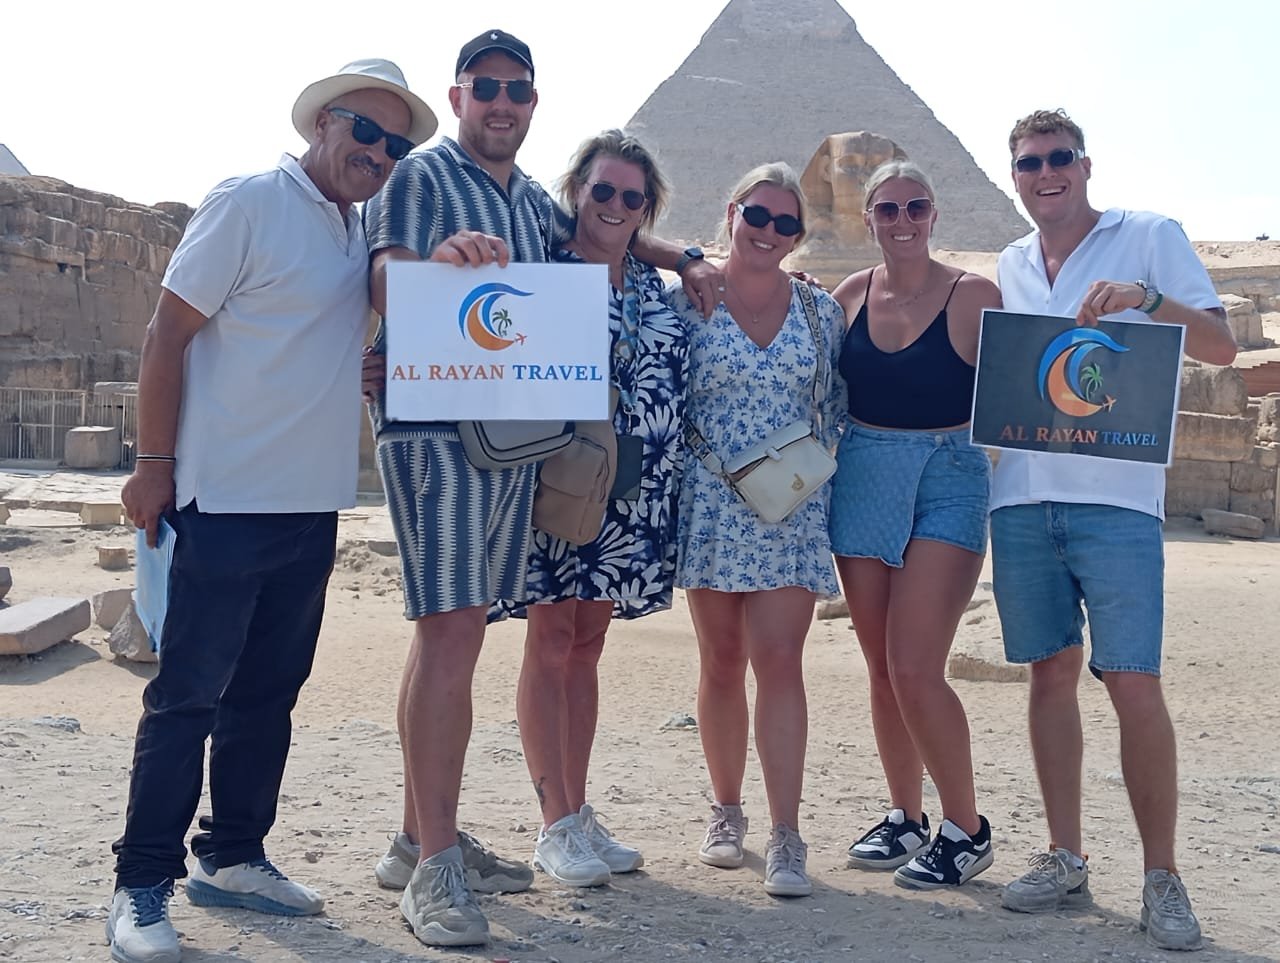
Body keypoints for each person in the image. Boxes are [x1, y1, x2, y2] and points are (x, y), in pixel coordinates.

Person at [362, 29, 723, 948]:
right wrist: (436, 268)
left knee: (449, 631)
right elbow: (385, 276)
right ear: (457, 96)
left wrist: (684, 258)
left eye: (517, 90)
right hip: (438, 434)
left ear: (533, 103)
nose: (501, 103)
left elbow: (610, 232)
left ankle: (415, 838)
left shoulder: (527, 202)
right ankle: (436, 866)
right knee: (450, 630)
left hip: (509, 441)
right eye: (484, 87)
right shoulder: (421, 175)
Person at [107, 60, 434, 963]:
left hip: (312, 503)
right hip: (225, 499)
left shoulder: (357, 232)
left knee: (267, 696)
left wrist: (365, 367)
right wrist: (152, 464)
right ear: (322, 122)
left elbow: (300, 335)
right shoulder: (249, 201)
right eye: (365, 130)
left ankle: (234, 854)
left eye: (395, 145)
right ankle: (140, 883)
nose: (378, 153)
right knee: (186, 699)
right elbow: (167, 333)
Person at [991, 110, 1235, 951]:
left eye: (1059, 158)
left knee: (1132, 681)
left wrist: (1148, 299)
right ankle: (1066, 855)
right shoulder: (1011, 262)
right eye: (1030, 163)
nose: (1046, 173)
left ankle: (1162, 876)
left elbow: (1222, 347)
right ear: (1014, 176)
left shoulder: (1149, 236)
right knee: (1048, 676)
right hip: (1024, 497)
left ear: (1086, 164)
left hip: (1118, 501)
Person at [494, 129, 688, 888]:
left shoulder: (649, 282)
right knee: (550, 640)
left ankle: (576, 809)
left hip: (633, 491)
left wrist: (689, 259)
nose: (614, 206)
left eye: (631, 197)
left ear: (646, 209)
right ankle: (553, 823)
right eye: (602, 190)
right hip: (561, 482)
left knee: (587, 644)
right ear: (576, 190)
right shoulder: (543, 269)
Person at [667, 162, 846, 898]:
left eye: (786, 223)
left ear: (799, 236)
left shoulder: (821, 312)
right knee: (720, 661)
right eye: (758, 215)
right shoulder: (687, 301)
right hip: (712, 501)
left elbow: (838, 401)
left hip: (790, 507)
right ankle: (726, 810)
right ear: (732, 211)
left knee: (779, 661)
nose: (769, 231)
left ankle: (786, 833)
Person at [828, 161, 1001, 890]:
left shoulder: (976, 296)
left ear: (935, 213)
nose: (903, 220)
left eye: (916, 206)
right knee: (880, 666)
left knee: (915, 666)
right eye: (888, 208)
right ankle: (905, 816)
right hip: (863, 475)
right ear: (868, 217)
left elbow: (1029, 385)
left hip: (948, 478)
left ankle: (967, 827)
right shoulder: (847, 297)